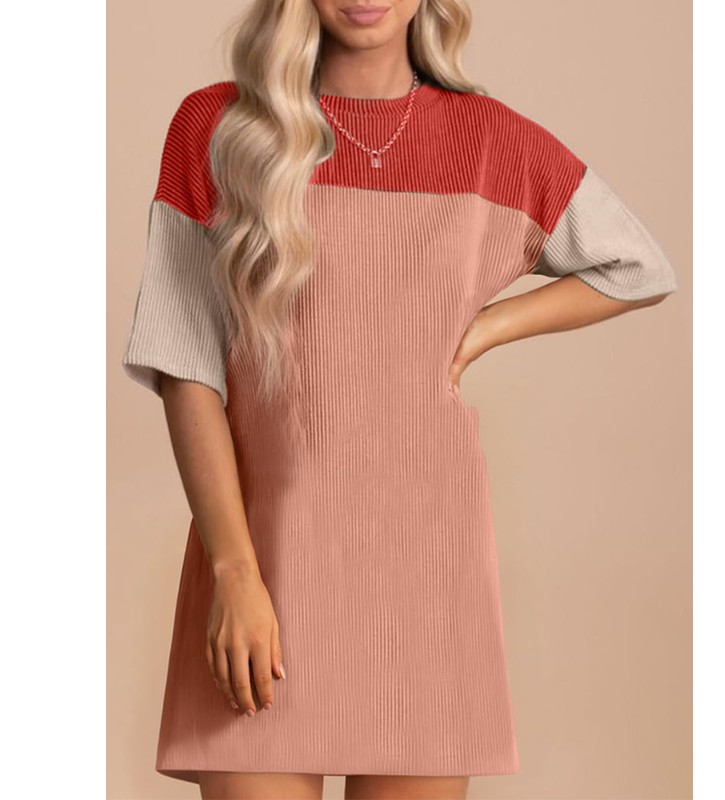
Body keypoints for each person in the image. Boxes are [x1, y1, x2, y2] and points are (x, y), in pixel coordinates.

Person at [121, 0, 679, 798]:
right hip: (262, 566)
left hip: (428, 574)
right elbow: (186, 367)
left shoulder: (490, 140)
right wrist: (235, 571)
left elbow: (640, 266)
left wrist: (489, 325)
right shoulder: (219, 128)